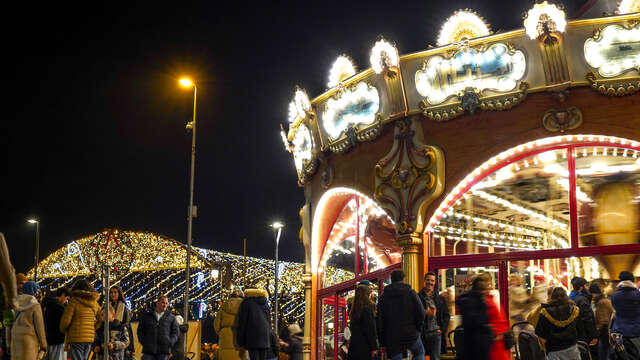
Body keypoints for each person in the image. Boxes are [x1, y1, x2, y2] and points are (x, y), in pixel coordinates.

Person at [377, 270, 425, 360]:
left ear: (391, 280)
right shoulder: (411, 293)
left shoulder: (383, 297)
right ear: (403, 279)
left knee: (396, 356)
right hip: (411, 333)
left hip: (392, 336)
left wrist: (382, 341)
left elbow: (380, 321)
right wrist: (417, 329)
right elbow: (421, 313)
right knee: (419, 352)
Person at [534, 287, 582, 360]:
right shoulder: (574, 310)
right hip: (571, 346)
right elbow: (580, 328)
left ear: (552, 297)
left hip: (553, 349)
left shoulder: (545, 312)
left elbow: (539, 331)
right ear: (566, 296)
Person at [60, 279, 102, 360]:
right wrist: (92, 329)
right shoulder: (95, 303)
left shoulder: (74, 301)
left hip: (76, 336)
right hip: (89, 338)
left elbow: (66, 321)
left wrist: (63, 329)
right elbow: (100, 319)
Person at [456, 274, 494, 360]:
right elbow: (476, 321)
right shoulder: (471, 300)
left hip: (477, 346)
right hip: (474, 347)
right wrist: (489, 329)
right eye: (487, 286)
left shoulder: (475, 299)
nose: (489, 289)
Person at [9, 281, 47, 360]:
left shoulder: (12, 303)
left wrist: (8, 342)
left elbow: (7, 325)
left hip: (15, 339)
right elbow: (40, 327)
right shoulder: (36, 305)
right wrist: (43, 345)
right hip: (29, 340)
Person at [418, 272, 450, 360]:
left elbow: (447, 315)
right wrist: (425, 313)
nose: (430, 282)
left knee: (435, 358)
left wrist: (442, 330)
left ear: (435, 282)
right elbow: (413, 314)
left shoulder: (440, 299)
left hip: (436, 333)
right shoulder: (418, 297)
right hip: (423, 334)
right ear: (424, 281)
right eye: (428, 280)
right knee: (420, 357)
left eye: (432, 280)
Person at [136, 295, 179, 360]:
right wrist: (144, 342)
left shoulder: (171, 317)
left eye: (166, 303)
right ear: (157, 303)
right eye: (163, 303)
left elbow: (176, 332)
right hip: (148, 351)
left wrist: (170, 342)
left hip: (164, 351)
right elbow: (140, 330)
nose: (165, 305)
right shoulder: (147, 316)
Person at [236, 288, 272, 360]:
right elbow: (269, 322)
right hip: (265, 337)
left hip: (252, 336)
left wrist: (240, 340)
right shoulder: (265, 303)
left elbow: (243, 322)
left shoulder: (246, 303)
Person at [214, 290, 247, 360]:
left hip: (225, 339)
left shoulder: (224, 306)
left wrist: (222, 333)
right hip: (240, 340)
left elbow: (216, 325)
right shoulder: (245, 307)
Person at [347, 285, 377, 360]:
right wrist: (374, 347)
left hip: (354, 347)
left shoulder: (353, 311)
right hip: (365, 347)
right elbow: (370, 330)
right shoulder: (366, 309)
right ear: (367, 295)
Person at [569, 276, 596, 357]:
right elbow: (588, 319)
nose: (588, 288)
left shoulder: (570, 298)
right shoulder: (582, 300)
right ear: (581, 288)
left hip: (574, 335)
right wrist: (593, 335)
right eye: (586, 286)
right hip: (584, 335)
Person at [42, 287, 70, 360]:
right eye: (67, 298)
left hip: (47, 338)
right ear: (63, 295)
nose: (66, 301)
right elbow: (63, 325)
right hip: (58, 340)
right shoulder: (60, 308)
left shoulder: (46, 305)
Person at [610, 271, 640, 340]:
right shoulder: (637, 295)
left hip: (619, 329)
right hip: (636, 330)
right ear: (633, 281)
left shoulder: (614, 295)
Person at [590, 282, 613, 360]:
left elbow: (604, 320)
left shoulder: (601, 302)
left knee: (604, 352)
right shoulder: (604, 300)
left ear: (594, 293)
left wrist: (596, 332)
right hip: (607, 331)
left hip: (605, 332)